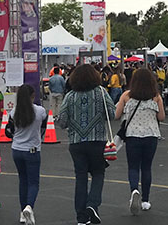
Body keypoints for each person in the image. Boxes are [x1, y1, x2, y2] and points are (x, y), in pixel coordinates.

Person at [58, 64, 114, 225]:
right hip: (97, 140)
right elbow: (111, 114)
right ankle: (93, 205)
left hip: (76, 142)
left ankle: (81, 217)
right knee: (98, 173)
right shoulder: (101, 93)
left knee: (80, 177)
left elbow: (62, 122)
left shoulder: (70, 96)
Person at [115, 68, 166, 215]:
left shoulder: (126, 96)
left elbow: (117, 115)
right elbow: (162, 117)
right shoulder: (156, 97)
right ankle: (145, 200)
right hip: (151, 135)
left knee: (133, 166)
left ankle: (134, 191)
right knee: (146, 167)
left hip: (132, 136)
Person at [10, 84, 48, 225]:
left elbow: (10, 130)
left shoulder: (14, 112)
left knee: (23, 180)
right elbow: (43, 125)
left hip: (17, 150)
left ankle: (22, 212)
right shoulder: (40, 111)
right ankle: (29, 206)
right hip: (32, 150)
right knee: (33, 182)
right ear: (33, 96)